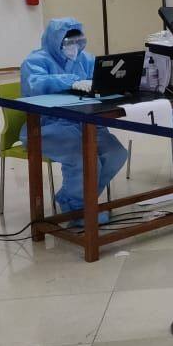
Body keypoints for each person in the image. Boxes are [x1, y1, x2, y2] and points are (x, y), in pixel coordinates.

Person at [20, 18, 129, 221]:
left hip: (84, 122)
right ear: (55, 40)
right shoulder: (35, 61)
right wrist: (72, 80)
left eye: (76, 41)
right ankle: (77, 209)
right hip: (47, 126)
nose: (73, 46)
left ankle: (76, 198)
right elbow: (34, 85)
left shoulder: (85, 59)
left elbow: (99, 81)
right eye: (67, 41)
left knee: (116, 153)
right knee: (83, 159)